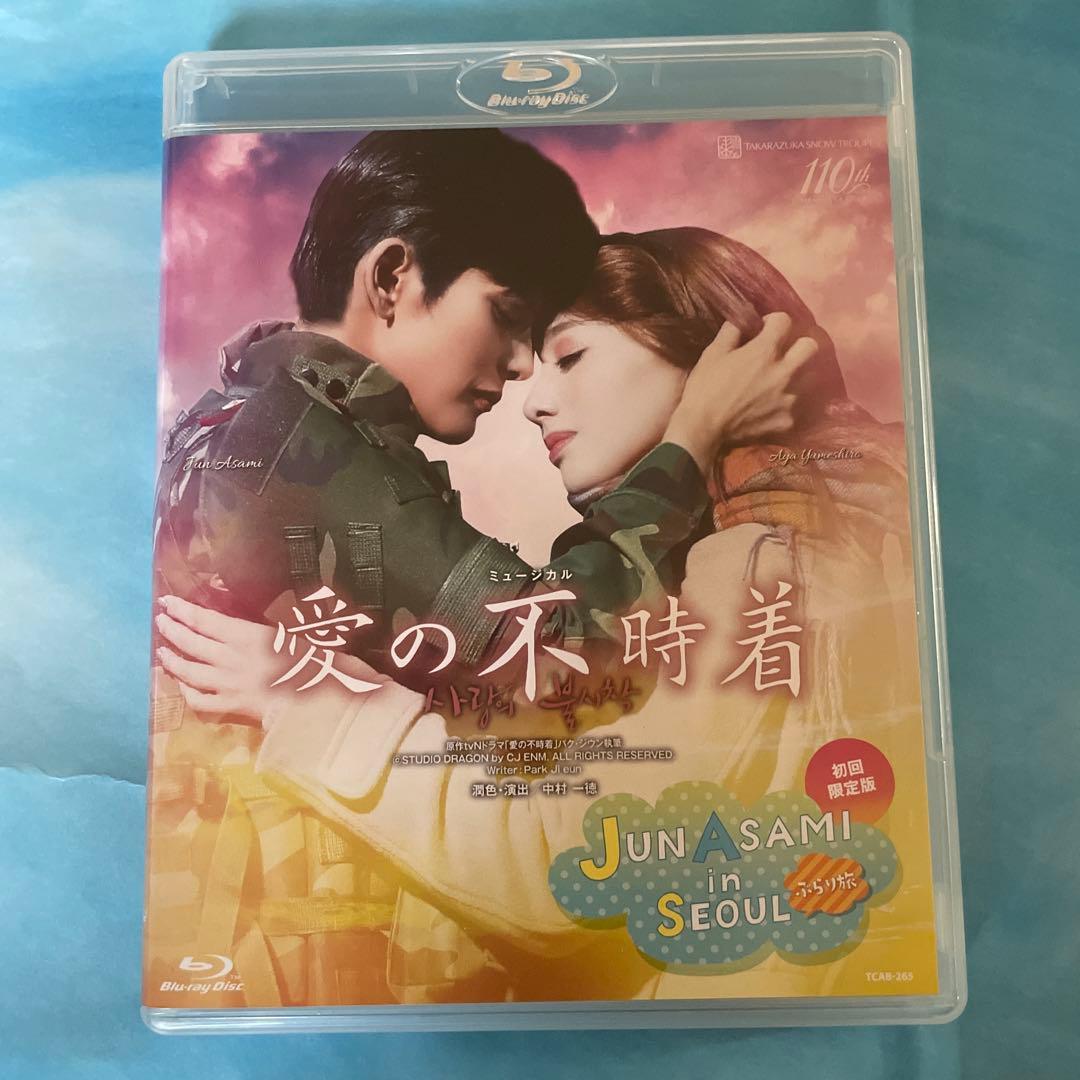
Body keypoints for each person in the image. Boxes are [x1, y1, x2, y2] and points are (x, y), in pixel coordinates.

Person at [154, 228, 917, 1007]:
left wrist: (306, 704)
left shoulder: (775, 556)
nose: (531, 400)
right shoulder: (817, 525)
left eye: (571, 357)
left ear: (718, 360)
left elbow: (574, 858)